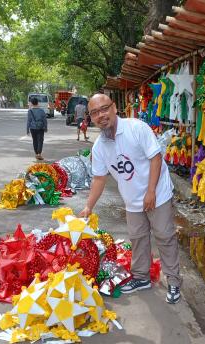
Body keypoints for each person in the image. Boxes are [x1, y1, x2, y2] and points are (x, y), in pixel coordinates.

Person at [79, 93, 182, 304]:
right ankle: (141, 277)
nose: (101, 115)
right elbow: (99, 178)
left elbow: (155, 157)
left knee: (164, 236)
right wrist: (88, 206)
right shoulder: (99, 147)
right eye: (95, 112)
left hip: (157, 193)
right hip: (132, 199)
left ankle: (173, 281)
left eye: (104, 108)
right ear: (91, 117)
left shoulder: (136, 128)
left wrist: (151, 191)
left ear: (115, 108)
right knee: (138, 238)